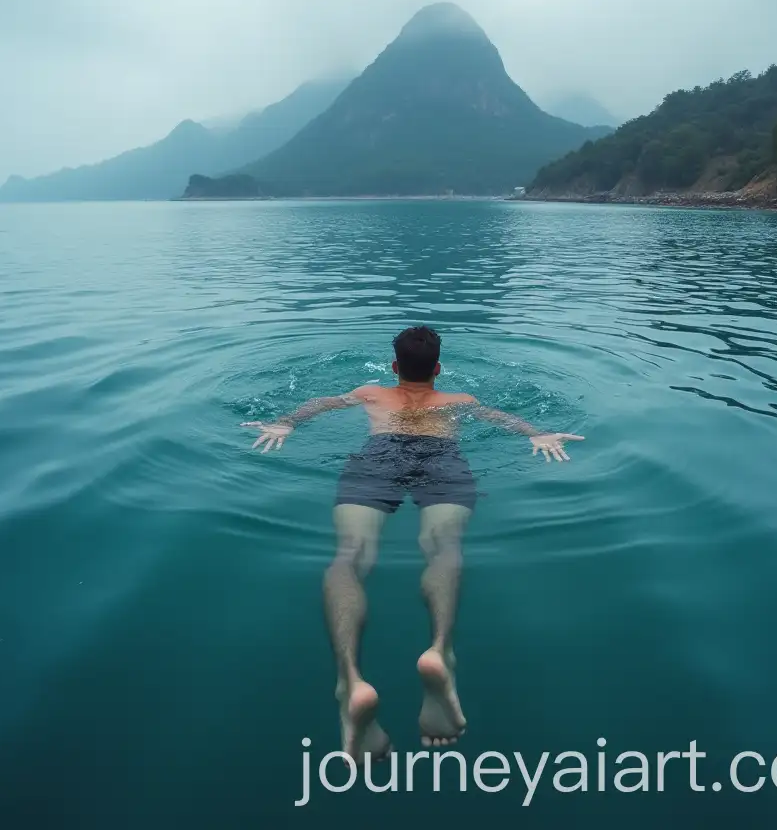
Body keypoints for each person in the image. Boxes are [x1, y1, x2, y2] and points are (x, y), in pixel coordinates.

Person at [242, 326, 584, 763]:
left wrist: (286, 422)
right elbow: (503, 419)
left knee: (349, 556)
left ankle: (349, 678)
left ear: (393, 368)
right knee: (444, 547)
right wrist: (536, 433)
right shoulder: (460, 402)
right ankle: (440, 648)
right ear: (438, 368)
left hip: (378, 455)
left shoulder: (370, 392)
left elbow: (323, 404)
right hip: (441, 457)